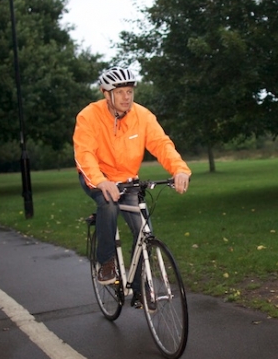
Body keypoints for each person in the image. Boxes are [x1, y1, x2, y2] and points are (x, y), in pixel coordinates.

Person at [73, 66, 191, 307]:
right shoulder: (89, 116)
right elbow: (84, 153)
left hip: (128, 179)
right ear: (106, 94)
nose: (127, 97)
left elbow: (162, 144)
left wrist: (179, 169)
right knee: (108, 204)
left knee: (144, 231)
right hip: (99, 177)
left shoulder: (143, 116)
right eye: (121, 92)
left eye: (130, 91)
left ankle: (139, 289)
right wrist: (101, 181)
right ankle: (106, 263)